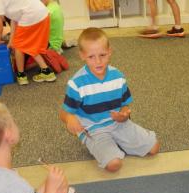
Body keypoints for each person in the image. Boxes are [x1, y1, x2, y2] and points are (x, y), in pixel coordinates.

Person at [60, 27, 160, 172]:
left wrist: (124, 115)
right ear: (82, 55)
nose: (98, 61)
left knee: (154, 147)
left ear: (110, 52)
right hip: (93, 130)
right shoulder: (76, 83)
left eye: (102, 55)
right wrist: (70, 119)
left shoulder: (118, 76)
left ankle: (115, 144)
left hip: (118, 124)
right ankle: (98, 145)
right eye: (91, 57)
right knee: (114, 164)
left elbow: (125, 105)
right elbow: (63, 113)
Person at [0, 0, 56, 85]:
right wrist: (12, 40)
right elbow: (14, 19)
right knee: (30, 44)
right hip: (42, 14)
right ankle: (46, 72)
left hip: (30, 16)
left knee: (19, 46)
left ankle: (21, 76)